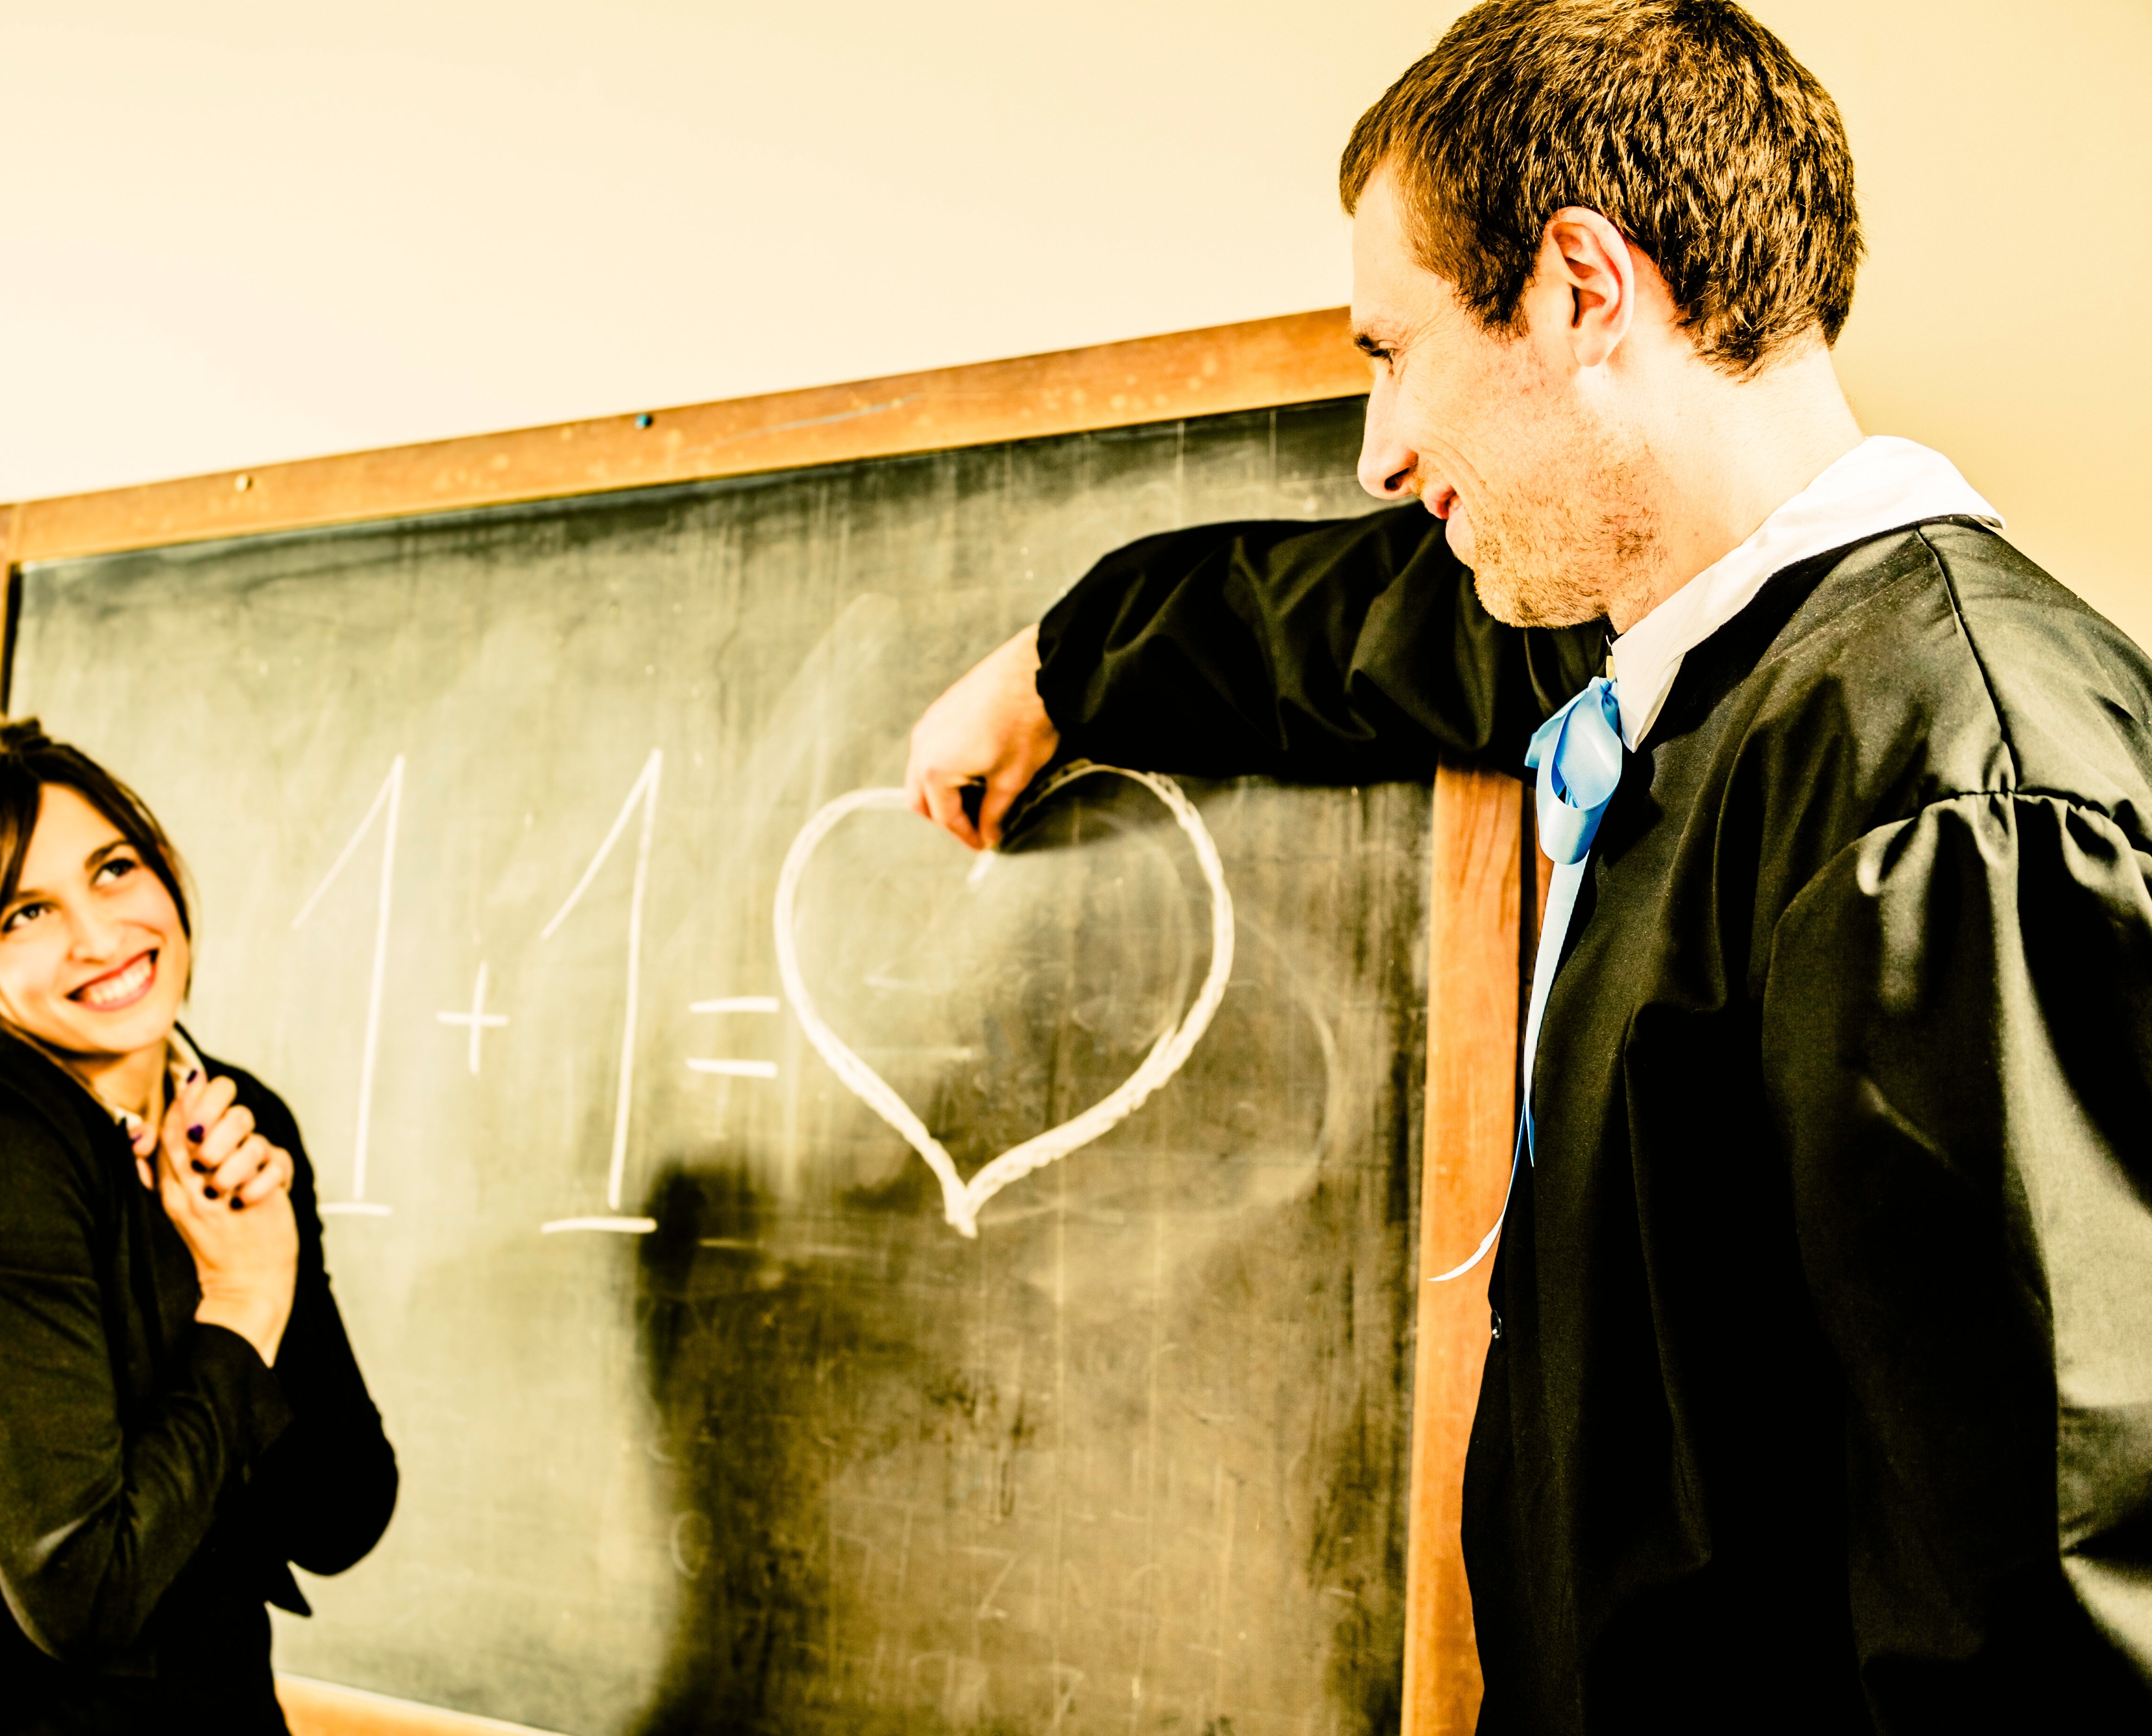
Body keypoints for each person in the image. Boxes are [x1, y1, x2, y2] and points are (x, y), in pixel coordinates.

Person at [904, 2, 2152, 1730]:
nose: (1378, 451)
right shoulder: (1701, 672)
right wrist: (1060, 667)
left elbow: (2044, 1612)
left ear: (1579, 289)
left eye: (1392, 351)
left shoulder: (1947, 793)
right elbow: (1360, 630)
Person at [0, 719, 397, 1734]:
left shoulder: (234, 1120)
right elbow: (82, 1592)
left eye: (114, 869)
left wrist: (270, 1257)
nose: (99, 936)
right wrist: (243, 1301)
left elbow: (341, 1512)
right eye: (26, 913)